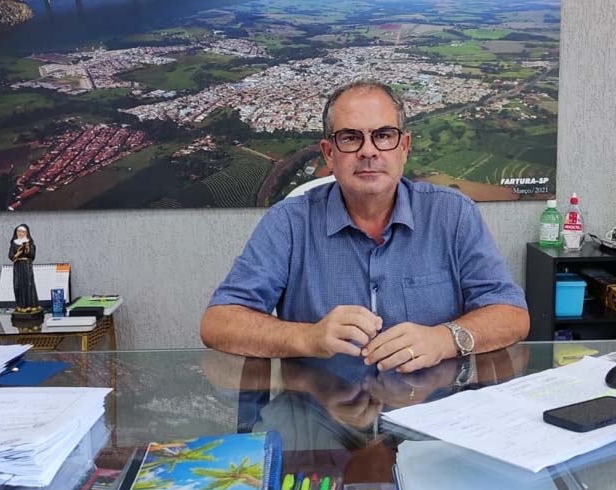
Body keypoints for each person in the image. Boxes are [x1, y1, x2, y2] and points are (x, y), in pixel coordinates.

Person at [201, 80, 528, 372]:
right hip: (319, 408)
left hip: (432, 408)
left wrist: (445, 339)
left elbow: (511, 314)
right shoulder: (288, 222)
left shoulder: (453, 214)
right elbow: (218, 323)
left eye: (383, 136)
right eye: (350, 138)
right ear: (329, 154)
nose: (368, 151)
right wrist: (308, 337)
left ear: (404, 147)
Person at [8, 224, 40, 314]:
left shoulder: (29, 243)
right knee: (17, 285)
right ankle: (20, 305)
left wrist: (27, 249)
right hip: (17, 266)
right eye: (18, 231)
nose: (20, 233)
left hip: (26, 266)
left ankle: (30, 305)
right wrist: (16, 255)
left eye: (22, 231)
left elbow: (32, 256)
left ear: (26, 233)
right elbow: (10, 255)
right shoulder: (14, 243)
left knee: (28, 285)